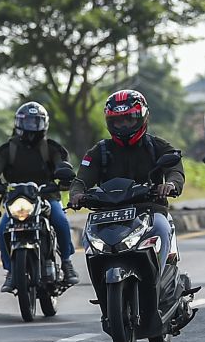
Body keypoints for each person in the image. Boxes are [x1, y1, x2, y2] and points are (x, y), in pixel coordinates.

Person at [67, 90, 185, 253]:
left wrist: (171, 184)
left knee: (163, 228)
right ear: (109, 122)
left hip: (150, 210)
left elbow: (175, 170)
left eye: (128, 120)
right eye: (117, 121)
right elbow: (81, 180)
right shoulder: (99, 151)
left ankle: (163, 275)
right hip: (108, 216)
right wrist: (76, 194)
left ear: (143, 117)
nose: (123, 126)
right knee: (88, 239)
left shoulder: (158, 146)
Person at [0, 101, 78, 293]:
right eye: (28, 122)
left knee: (60, 220)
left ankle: (67, 263)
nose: (32, 127)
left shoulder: (50, 148)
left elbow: (62, 164)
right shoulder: (9, 149)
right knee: (2, 230)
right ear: (18, 123)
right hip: (16, 200)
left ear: (44, 124)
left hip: (47, 197)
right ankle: (10, 271)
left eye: (36, 122)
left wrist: (64, 177)